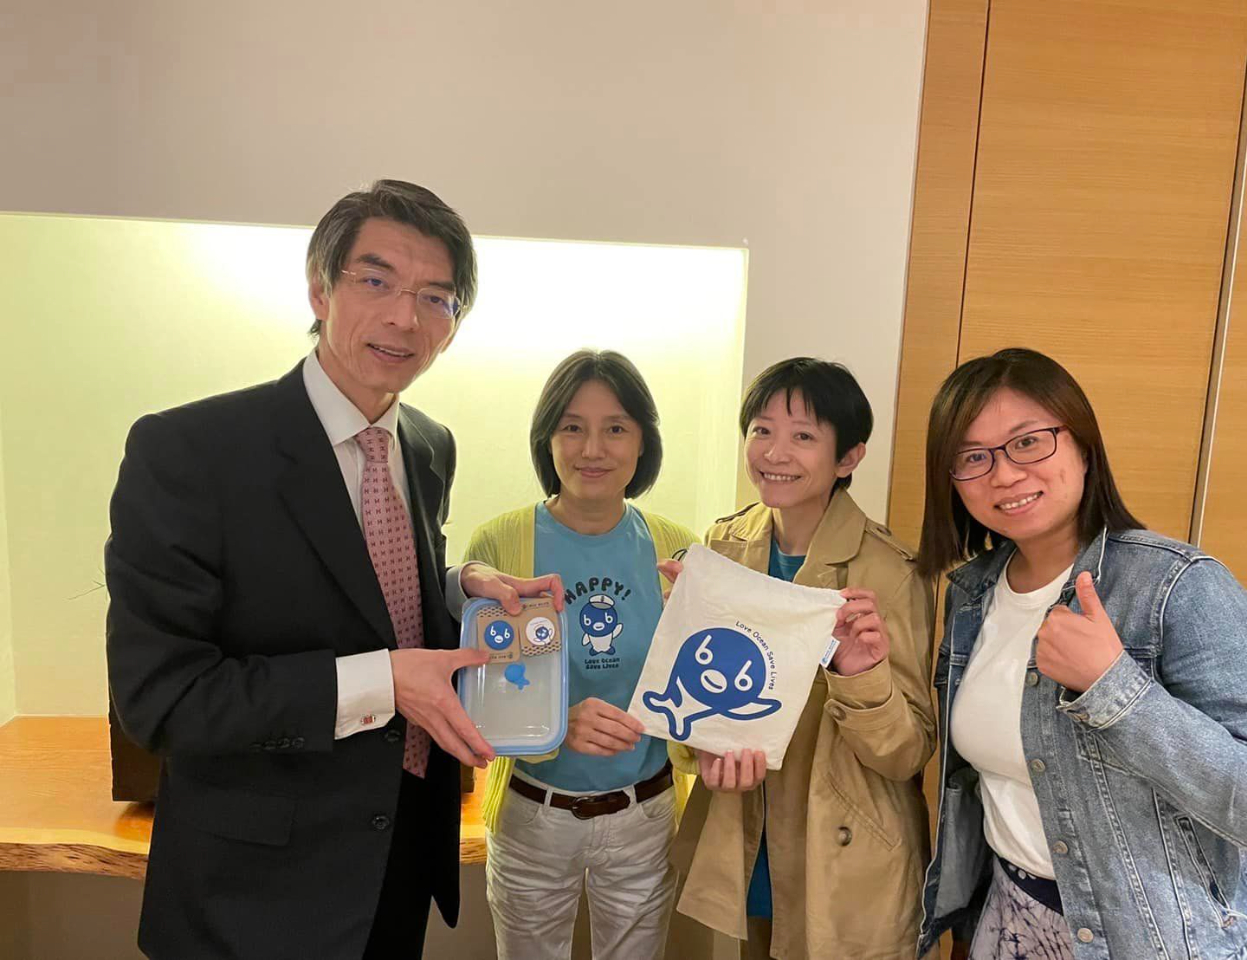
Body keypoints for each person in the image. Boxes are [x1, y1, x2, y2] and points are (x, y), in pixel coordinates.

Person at [105, 179, 558, 960]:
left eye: (436, 298)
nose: (405, 317)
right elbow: (161, 698)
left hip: (399, 859)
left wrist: (462, 588)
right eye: (376, 281)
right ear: (320, 289)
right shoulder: (190, 452)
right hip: (253, 895)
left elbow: (370, 591)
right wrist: (385, 682)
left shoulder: (428, 444)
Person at [915, 348, 1247, 960]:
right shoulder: (971, 594)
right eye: (973, 457)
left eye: (1028, 442)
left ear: (1083, 446)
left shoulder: (1178, 586)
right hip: (1010, 921)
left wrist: (1115, 690)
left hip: (1160, 940)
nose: (1003, 474)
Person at [666, 358, 937, 959]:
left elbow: (907, 753)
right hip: (742, 839)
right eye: (761, 430)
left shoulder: (889, 571)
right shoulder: (721, 547)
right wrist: (699, 739)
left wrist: (858, 674)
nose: (775, 452)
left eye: (803, 436)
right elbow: (691, 719)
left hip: (842, 851)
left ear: (849, 457)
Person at [463, 349, 698, 960]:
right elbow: (477, 694)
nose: (592, 449)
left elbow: (697, 686)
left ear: (643, 442)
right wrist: (553, 724)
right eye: (572, 427)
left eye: (615, 428)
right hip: (532, 812)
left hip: (645, 812)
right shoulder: (500, 543)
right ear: (548, 439)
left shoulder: (676, 548)